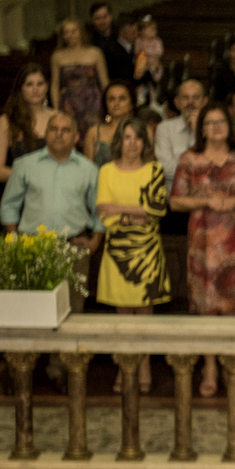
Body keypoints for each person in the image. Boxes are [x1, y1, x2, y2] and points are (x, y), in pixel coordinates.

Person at [170, 101, 235, 396]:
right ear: (202, 129)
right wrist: (206, 201)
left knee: (231, 303)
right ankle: (209, 367)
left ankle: (230, 364)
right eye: (209, 123)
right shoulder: (190, 158)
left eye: (220, 121)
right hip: (202, 240)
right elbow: (176, 201)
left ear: (229, 125)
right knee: (206, 305)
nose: (216, 127)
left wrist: (230, 203)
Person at [0, 112, 104, 312]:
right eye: (54, 129)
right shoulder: (24, 165)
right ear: (46, 134)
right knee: (31, 310)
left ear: (76, 137)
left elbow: (100, 209)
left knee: (74, 309)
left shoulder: (89, 169)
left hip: (74, 247)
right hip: (32, 246)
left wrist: (95, 241)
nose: (59, 134)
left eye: (65, 130)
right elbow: (9, 205)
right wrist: (14, 240)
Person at [96, 118, 170, 393]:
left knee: (145, 315)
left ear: (145, 142)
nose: (132, 143)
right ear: (119, 141)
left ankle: (145, 366)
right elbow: (103, 211)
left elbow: (157, 209)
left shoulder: (154, 170)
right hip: (117, 253)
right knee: (123, 317)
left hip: (148, 251)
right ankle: (124, 368)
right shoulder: (106, 171)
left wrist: (120, 210)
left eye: (138, 137)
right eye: (127, 137)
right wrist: (135, 213)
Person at [0, 63, 53, 184]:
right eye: (29, 84)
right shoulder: (6, 121)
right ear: (20, 88)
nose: (35, 89)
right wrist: (33, 177)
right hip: (19, 188)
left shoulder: (58, 118)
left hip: (53, 188)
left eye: (40, 84)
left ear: (47, 86)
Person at [51, 19, 109, 142]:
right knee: (69, 137)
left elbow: (104, 82)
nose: (70, 35)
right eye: (66, 32)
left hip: (92, 102)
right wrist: (56, 110)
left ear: (81, 32)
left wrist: (108, 106)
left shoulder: (95, 53)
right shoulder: (57, 56)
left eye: (73, 31)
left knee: (94, 138)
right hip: (69, 103)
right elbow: (55, 85)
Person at [153, 79, 205, 198]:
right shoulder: (164, 128)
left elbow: (216, 167)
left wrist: (197, 131)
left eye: (196, 97)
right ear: (177, 103)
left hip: (207, 200)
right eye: (185, 97)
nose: (190, 102)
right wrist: (202, 168)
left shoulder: (213, 129)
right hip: (174, 201)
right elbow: (165, 168)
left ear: (204, 101)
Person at [83, 81, 137, 167]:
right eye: (112, 99)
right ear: (106, 104)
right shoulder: (93, 133)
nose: (116, 103)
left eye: (122, 98)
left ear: (131, 104)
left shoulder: (144, 130)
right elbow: (88, 170)